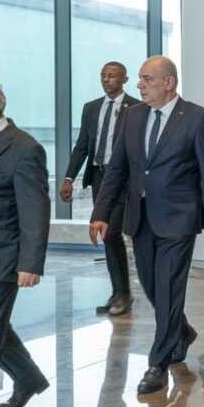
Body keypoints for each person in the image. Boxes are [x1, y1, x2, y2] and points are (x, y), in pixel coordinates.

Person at [90, 56, 204, 395]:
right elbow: (117, 169)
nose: (140, 85)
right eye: (140, 78)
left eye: (147, 79)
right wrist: (101, 212)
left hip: (179, 218)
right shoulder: (132, 116)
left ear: (168, 83)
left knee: (167, 287)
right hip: (140, 217)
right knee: (151, 287)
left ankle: (157, 364)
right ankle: (182, 331)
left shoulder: (196, 118)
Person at [61, 62, 140, 316]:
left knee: (112, 231)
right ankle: (118, 293)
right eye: (103, 76)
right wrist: (69, 177)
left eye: (112, 76)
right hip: (98, 177)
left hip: (123, 180)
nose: (106, 80)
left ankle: (123, 294)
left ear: (124, 79)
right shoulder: (91, 107)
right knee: (107, 235)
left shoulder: (136, 108)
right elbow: (82, 145)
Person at [0, 85, 51, 407]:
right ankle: (27, 378)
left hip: (1, 256)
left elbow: (34, 210)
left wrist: (31, 263)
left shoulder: (25, 148)